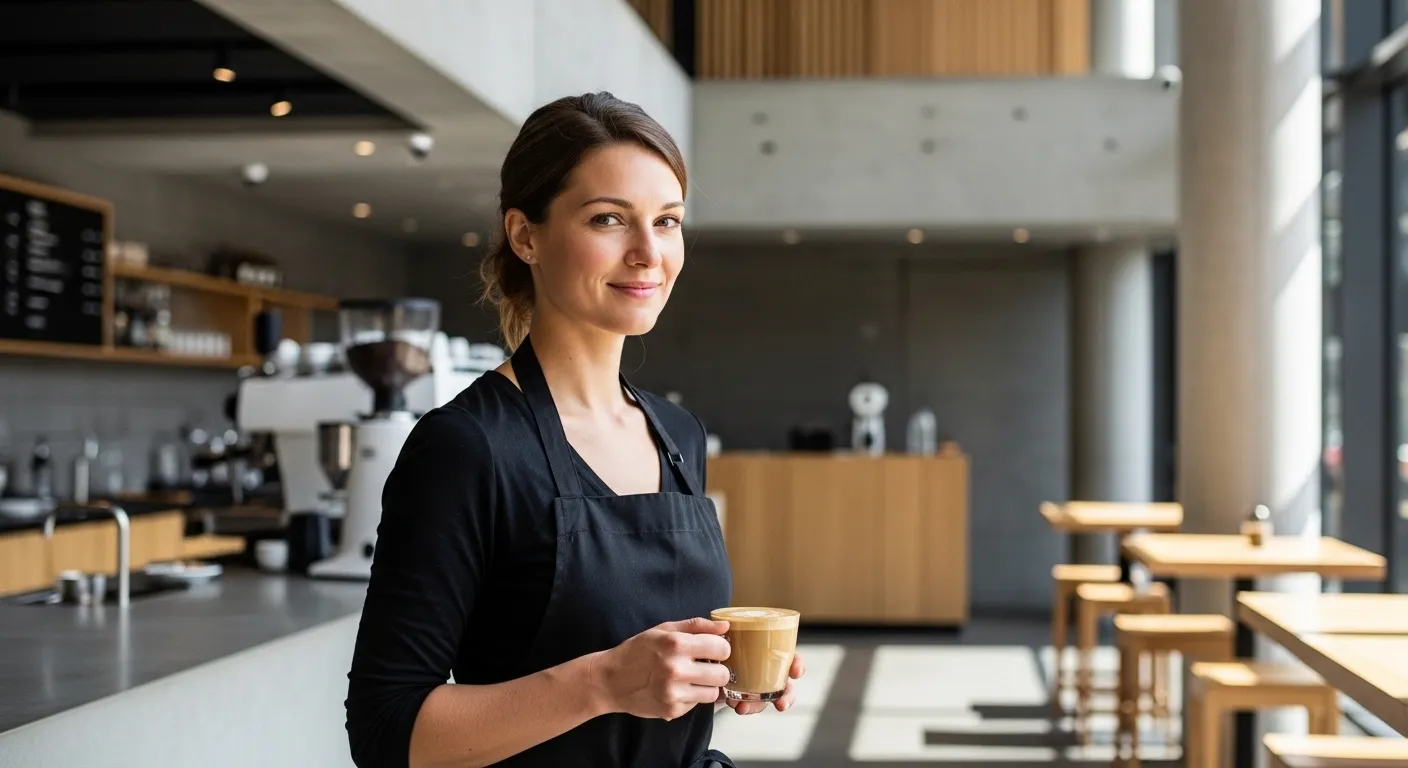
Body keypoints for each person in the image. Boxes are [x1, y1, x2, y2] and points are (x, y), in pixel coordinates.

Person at [344, 92, 805, 768]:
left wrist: (707, 673)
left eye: (668, 221)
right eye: (609, 219)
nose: (649, 253)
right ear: (526, 235)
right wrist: (607, 683)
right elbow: (385, 732)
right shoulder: (467, 447)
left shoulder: (677, 433)